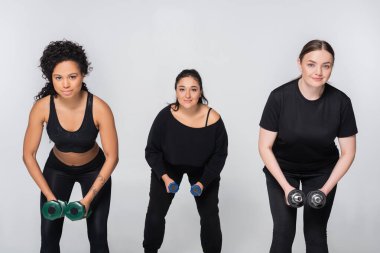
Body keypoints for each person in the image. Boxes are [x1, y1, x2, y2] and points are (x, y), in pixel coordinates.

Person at [258, 40, 357, 253]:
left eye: (326, 65)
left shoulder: (341, 102)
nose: (319, 71)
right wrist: (286, 187)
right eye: (311, 64)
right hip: (282, 170)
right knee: (283, 232)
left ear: (332, 67)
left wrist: (324, 189)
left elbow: (348, 153)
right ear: (299, 63)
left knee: (316, 233)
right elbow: (265, 147)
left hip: (321, 172)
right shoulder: (279, 98)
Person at [22, 40, 118, 253]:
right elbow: (28, 155)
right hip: (58, 170)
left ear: (83, 75)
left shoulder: (100, 108)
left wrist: (88, 199)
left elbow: (112, 157)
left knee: (99, 236)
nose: (65, 84)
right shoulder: (42, 108)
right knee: (48, 237)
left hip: (94, 170)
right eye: (58, 78)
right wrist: (49, 195)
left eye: (72, 77)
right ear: (51, 78)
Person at [143, 69, 228, 253]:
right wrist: (165, 178)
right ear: (176, 91)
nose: (187, 95)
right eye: (182, 89)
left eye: (193, 89)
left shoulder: (213, 119)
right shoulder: (165, 117)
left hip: (203, 169)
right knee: (155, 215)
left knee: (210, 216)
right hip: (168, 166)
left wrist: (203, 182)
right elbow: (152, 151)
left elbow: (219, 156)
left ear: (201, 91)